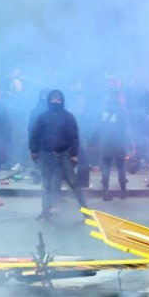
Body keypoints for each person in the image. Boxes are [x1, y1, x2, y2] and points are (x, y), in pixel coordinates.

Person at [29, 89, 87, 221]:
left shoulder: (68, 117)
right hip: (47, 154)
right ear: (49, 100)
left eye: (58, 98)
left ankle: (86, 212)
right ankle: (45, 211)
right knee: (46, 184)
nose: (55, 100)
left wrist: (74, 153)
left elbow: (74, 136)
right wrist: (34, 150)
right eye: (53, 98)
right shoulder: (43, 117)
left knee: (73, 183)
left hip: (64, 153)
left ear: (62, 100)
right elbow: (35, 134)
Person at [95, 95, 128, 201]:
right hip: (119, 142)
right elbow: (125, 128)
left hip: (106, 142)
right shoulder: (121, 111)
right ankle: (123, 191)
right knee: (121, 166)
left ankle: (105, 191)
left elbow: (98, 126)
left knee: (106, 166)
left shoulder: (102, 111)